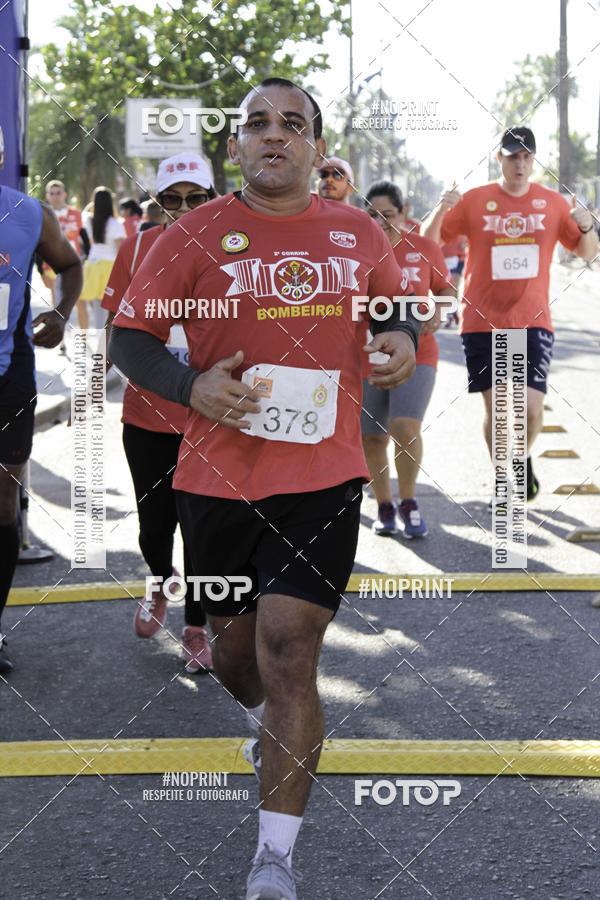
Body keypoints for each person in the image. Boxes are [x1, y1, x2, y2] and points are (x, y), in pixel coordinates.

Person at [109, 76, 419, 899]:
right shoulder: (191, 234)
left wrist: (398, 341)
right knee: (239, 658)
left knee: (292, 651)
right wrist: (190, 387)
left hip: (322, 476)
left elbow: (397, 312)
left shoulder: (358, 233)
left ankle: (273, 859)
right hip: (212, 479)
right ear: (237, 145)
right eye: (256, 124)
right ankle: (262, 725)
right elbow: (129, 337)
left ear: (317, 146)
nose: (273, 134)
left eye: (292, 123)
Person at [422, 126, 598, 500]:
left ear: (533, 160)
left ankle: (521, 457)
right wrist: (442, 206)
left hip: (533, 320)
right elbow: (428, 239)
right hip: (482, 321)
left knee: (531, 410)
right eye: (512, 156)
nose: (519, 164)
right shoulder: (474, 200)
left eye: (526, 157)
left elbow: (588, 252)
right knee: (500, 408)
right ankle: (503, 477)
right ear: (498, 159)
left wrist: (586, 226)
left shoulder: (550, 202)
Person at [103, 152, 216, 673]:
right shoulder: (138, 245)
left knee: (202, 528)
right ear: (157, 205)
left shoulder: (233, 246)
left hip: (211, 418)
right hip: (147, 413)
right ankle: (158, 583)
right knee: (154, 525)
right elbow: (115, 325)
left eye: (196, 199)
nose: (182, 210)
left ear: (213, 200)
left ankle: (196, 627)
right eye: (171, 201)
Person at [0, 126, 83, 672]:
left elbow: (70, 266)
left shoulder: (30, 213)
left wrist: (58, 311)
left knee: (2, 505)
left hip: (9, 373)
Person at [363, 180, 456, 537]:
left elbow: (447, 291)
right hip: (367, 353)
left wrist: (438, 310)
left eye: (387, 214)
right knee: (371, 437)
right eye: (371, 214)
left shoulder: (424, 248)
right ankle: (384, 504)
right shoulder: (357, 250)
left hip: (419, 351)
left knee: (405, 427)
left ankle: (409, 500)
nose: (380, 221)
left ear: (404, 213)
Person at [78, 187, 125, 329]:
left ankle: (99, 345)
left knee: (98, 309)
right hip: (110, 267)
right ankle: (107, 345)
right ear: (111, 203)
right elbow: (122, 249)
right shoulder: (115, 224)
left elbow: (84, 212)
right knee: (111, 310)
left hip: (93, 265)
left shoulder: (88, 220)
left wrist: (94, 204)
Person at [40, 180, 83, 304]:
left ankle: (84, 325)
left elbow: (83, 239)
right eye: (52, 193)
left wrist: (85, 259)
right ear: (47, 196)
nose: (55, 196)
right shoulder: (44, 214)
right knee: (57, 303)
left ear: (64, 195)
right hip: (51, 264)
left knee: (80, 302)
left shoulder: (76, 214)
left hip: (74, 263)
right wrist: (41, 271)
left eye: (58, 193)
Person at [441, 233, 466, 326]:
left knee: (454, 287)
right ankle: (451, 312)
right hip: (445, 257)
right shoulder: (440, 219)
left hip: (459, 258)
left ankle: (451, 313)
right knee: (447, 287)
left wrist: (465, 241)